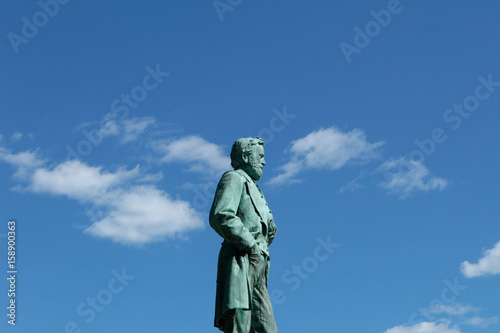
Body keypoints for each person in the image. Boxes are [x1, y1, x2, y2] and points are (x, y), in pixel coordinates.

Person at [210, 137, 278, 333]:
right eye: (260, 156)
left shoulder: (256, 188)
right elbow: (221, 215)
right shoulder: (234, 178)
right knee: (240, 324)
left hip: (258, 263)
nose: (264, 162)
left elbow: (263, 228)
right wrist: (251, 245)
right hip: (240, 261)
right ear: (246, 156)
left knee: (267, 327)